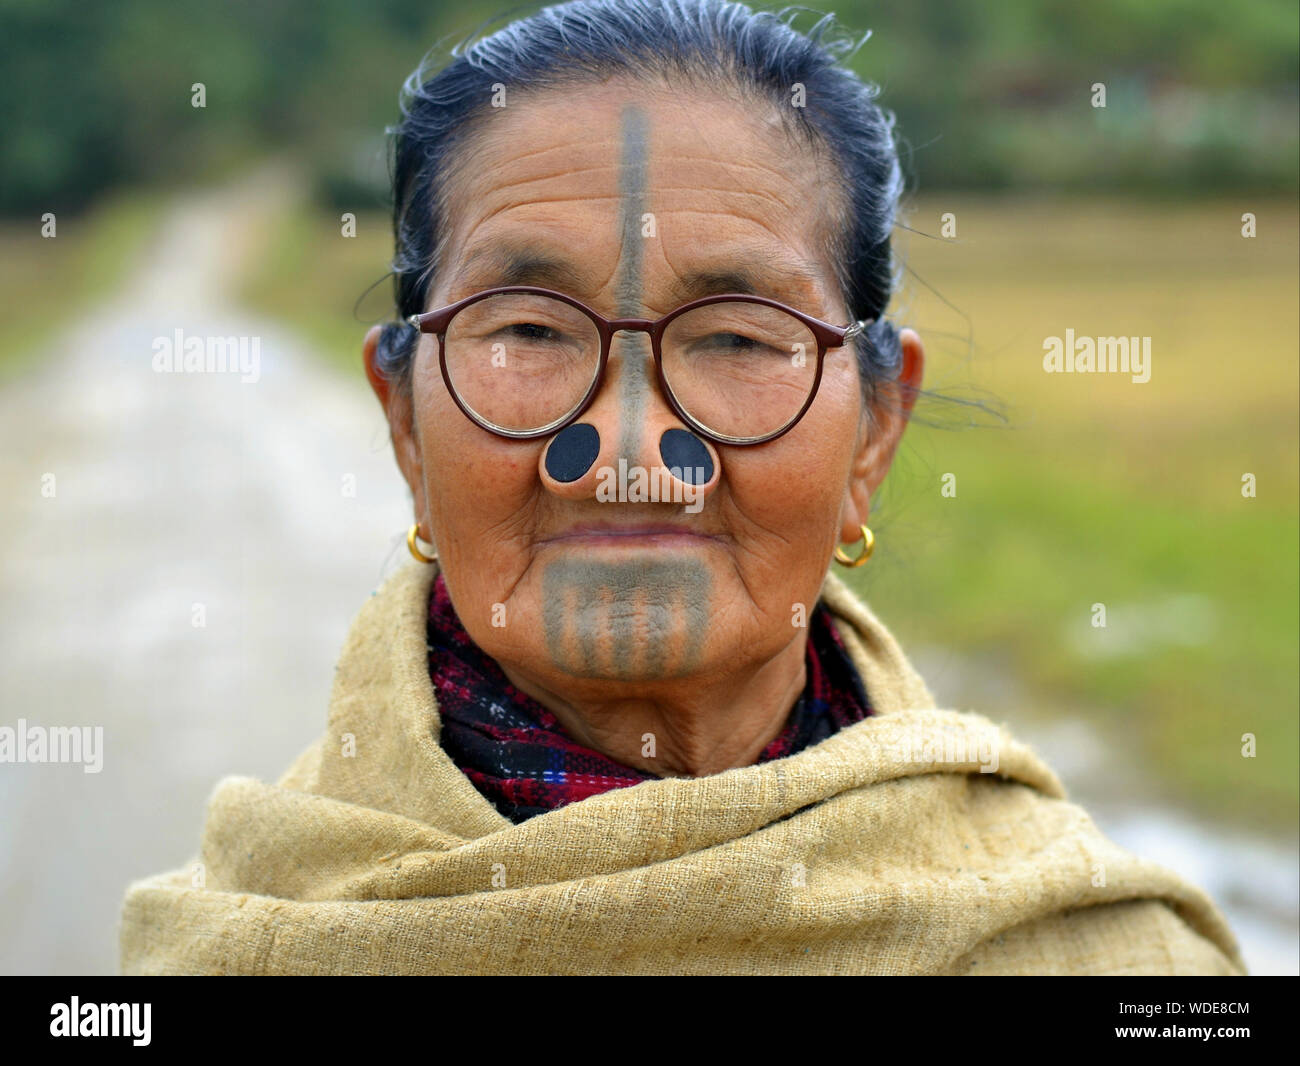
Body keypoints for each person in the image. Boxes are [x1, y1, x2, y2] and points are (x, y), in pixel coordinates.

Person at [119, 0, 1245, 975]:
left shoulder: (1084, 949)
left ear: (873, 435)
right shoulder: (243, 939)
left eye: (741, 340)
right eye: (526, 328)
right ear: (405, 425)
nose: (627, 442)